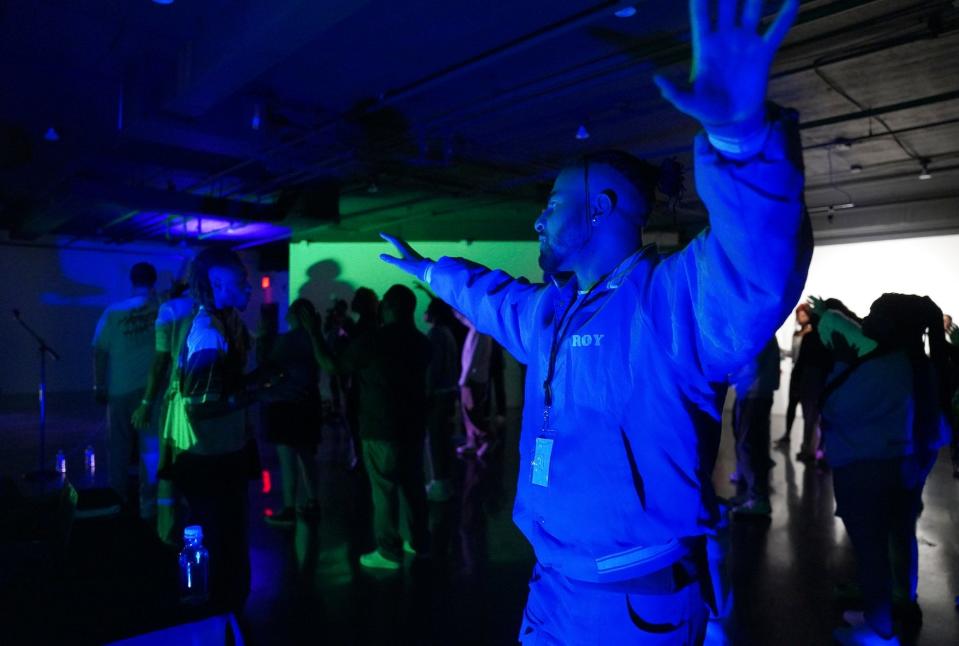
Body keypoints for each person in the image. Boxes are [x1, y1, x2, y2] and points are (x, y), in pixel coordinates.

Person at [379, 0, 808, 640]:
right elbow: (492, 298)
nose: (538, 221)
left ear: (602, 208)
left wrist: (741, 142)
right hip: (551, 585)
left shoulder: (668, 305)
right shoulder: (555, 311)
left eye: (552, 205)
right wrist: (429, 272)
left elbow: (758, 269)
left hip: (629, 606)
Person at [815, 294, 951, 645]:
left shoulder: (878, 366)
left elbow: (835, 409)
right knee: (901, 536)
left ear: (893, 324)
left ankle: (879, 627)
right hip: (905, 469)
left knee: (871, 548)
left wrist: (843, 365)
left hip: (864, 469)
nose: (867, 318)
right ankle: (901, 600)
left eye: (876, 313)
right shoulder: (919, 364)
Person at [308, 285, 432, 570]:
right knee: (414, 487)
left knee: (384, 489)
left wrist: (313, 331)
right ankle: (420, 542)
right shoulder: (422, 343)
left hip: (380, 426)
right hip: (413, 426)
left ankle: (389, 551)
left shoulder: (373, 340)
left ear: (386, 307)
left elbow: (332, 365)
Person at [172, 247, 265, 611]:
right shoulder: (209, 332)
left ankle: (227, 613)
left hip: (225, 454)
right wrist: (256, 392)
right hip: (210, 460)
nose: (250, 288)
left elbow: (226, 386)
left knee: (230, 542)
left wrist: (261, 381)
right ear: (219, 284)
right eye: (243, 282)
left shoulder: (230, 324)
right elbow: (199, 406)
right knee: (223, 546)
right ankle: (222, 618)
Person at [93, 262, 160, 521]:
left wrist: (99, 385)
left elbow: (98, 351)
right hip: (151, 393)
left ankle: (117, 502)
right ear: (152, 282)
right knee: (151, 449)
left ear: (131, 281)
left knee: (118, 449)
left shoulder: (113, 312)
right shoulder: (160, 309)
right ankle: (149, 506)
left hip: (119, 391)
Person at [131, 281, 195, 545]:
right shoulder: (208, 306)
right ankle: (196, 525)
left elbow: (161, 361)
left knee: (167, 465)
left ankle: (166, 532)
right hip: (212, 401)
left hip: (179, 400)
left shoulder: (169, 310)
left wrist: (146, 403)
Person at [259, 299, 324, 526]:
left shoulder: (286, 341)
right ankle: (313, 502)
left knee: (287, 458)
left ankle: (289, 509)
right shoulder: (315, 339)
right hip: (308, 402)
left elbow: (267, 368)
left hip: (285, 403)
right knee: (307, 455)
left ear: (293, 315)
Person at [730, 336, 780, 518]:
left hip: (753, 393)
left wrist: (730, 376)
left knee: (747, 444)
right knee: (752, 444)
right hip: (756, 392)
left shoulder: (760, 332)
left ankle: (757, 498)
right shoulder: (766, 331)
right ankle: (751, 495)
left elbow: (750, 365)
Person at [424, 297, 460, 502]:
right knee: (442, 438)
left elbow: (433, 369)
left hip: (438, 395)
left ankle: (439, 482)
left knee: (436, 439)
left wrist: (427, 392)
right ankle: (444, 481)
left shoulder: (436, 334)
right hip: (448, 392)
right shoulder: (446, 333)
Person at [454, 310, 494, 458]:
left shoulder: (479, 332)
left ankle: (487, 440)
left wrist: (463, 382)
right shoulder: (478, 330)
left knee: (472, 413)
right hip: (474, 379)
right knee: (469, 413)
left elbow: (472, 360)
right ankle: (472, 442)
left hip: (472, 380)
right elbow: (463, 320)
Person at [775, 303, 813, 447]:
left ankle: (806, 442)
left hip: (806, 375)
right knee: (791, 406)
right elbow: (794, 353)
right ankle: (787, 435)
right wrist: (780, 353)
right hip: (796, 373)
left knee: (806, 410)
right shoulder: (797, 333)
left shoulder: (811, 334)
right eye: (799, 315)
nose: (801, 318)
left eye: (803, 315)